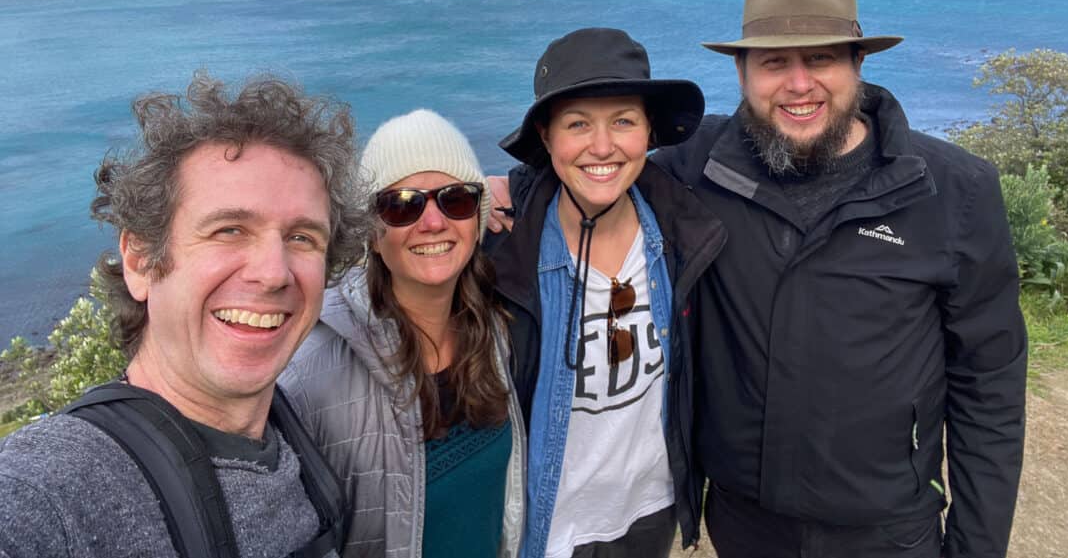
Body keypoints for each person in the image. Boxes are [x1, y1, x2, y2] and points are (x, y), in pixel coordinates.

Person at [651, 0, 1027, 557]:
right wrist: (506, 189)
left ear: (857, 64)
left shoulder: (955, 189)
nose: (799, 85)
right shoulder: (698, 167)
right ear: (741, 72)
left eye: (821, 58)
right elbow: (597, 159)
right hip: (742, 520)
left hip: (888, 529)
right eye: (774, 62)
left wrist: (978, 547)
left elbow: (991, 387)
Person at [0, 73, 374, 558]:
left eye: (303, 238)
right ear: (139, 261)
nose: (273, 273)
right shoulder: (57, 488)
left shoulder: (296, 433)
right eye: (229, 230)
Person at [490, 28, 727, 558]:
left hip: (650, 507)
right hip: (550, 523)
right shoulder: (505, 256)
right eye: (578, 124)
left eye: (623, 121)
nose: (602, 146)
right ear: (547, 139)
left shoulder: (683, 236)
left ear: (649, 133)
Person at [279, 109, 526, 558]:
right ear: (372, 234)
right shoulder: (309, 370)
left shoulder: (493, 328)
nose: (432, 222)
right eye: (402, 205)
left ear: (477, 220)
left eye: (456, 199)